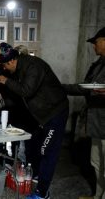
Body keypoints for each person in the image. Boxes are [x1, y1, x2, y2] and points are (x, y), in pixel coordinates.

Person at [0, 42, 69, 199]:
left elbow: (26, 91)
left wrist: (6, 81)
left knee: (47, 152)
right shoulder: (22, 66)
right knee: (39, 149)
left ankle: (42, 193)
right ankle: (37, 177)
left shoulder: (32, 66)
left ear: (11, 61)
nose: (4, 69)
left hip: (54, 113)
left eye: (5, 65)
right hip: (43, 114)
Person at [63, 27, 105, 199]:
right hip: (97, 122)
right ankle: (98, 195)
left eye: (96, 42)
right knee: (97, 163)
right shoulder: (99, 63)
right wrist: (61, 88)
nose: (94, 46)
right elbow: (85, 87)